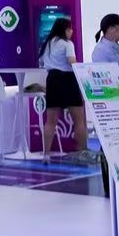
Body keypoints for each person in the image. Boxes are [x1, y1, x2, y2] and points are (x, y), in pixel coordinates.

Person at [38, 18, 87, 158]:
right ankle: (82, 151)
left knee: (50, 121)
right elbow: (71, 61)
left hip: (52, 80)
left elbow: (42, 62)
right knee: (79, 119)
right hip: (68, 80)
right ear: (64, 30)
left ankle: (46, 153)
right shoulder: (67, 44)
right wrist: (82, 69)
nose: (71, 31)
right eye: (70, 29)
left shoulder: (47, 44)